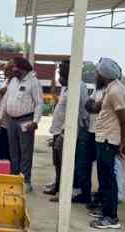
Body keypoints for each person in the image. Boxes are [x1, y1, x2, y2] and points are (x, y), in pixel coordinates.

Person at [87, 58, 125, 229]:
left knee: (108, 179)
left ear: (104, 74)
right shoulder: (109, 88)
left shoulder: (116, 90)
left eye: (98, 71)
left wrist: (124, 141)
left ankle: (111, 218)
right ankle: (105, 210)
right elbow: (99, 108)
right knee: (104, 178)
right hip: (103, 138)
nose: (96, 74)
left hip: (108, 140)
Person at [45, 60, 91, 203]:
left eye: (62, 69)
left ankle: (66, 191)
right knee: (58, 162)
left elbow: (81, 110)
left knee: (66, 163)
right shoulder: (66, 86)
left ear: (71, 70)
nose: (59, 72)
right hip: (58, 130)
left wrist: (72, 131)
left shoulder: (79, 86)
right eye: (59, 69)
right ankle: (58, 186)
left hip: (70, 131)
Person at [0, 57, 43, 193]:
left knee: (25, 152)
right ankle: (14, 178)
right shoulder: (13, 81)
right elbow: (5, 101)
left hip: (26, 121)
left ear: (21, 68)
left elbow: (39, 103)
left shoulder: (33, 82)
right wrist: (0, 117)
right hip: (11, 120)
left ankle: (26, 181)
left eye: (14, 67)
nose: (12, 70)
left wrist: (35, 121)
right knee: (13, 152)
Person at [0, 61, 16, 161]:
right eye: (5, 69)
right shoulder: (6, 81)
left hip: (8, 123)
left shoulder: (15, 83)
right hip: (1, 120)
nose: (5, 71)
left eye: (8, 69)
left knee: (7, 151)